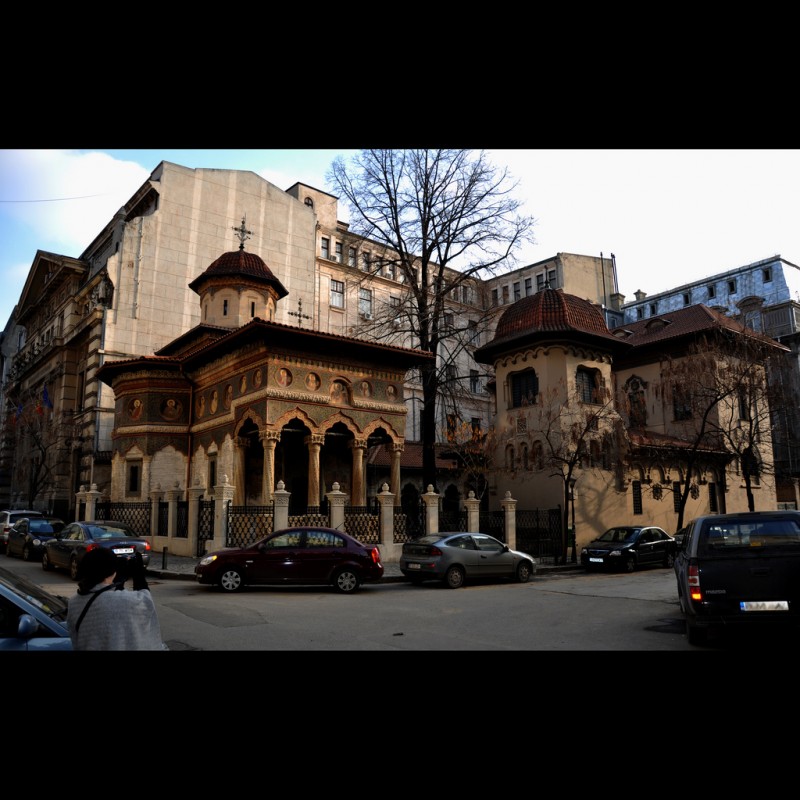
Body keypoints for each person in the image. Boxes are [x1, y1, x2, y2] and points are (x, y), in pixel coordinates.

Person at [67, 547, 168, 650]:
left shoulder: (74, 603)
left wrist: (118, 581)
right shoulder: (124, 601)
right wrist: (138, 574)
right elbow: (146, 601)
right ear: (113, 571)